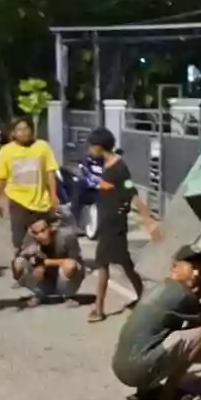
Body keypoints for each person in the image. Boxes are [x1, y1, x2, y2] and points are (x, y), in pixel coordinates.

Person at [112, 245, 201, 400]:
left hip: (121, 367)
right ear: (175, 268)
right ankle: (168, 393)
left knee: (163, 335)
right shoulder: (182, 294)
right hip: (137, 369)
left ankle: (146, 389)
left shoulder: (162, 288)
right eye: (193, 268)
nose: (197, 274)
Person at [85, 127, 162, 322]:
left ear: (99, 147)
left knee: (102, 263)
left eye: (91, 146)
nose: (89, 150)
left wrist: (148, 222)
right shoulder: (107, 164)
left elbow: (132, 192)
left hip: (114, 223)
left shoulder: (119, 168)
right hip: (107, 221)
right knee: (124, 262)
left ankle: (98, 309)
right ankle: (143, 296)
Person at [0, 116, 61, 250]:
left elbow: (50, 172)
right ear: (13, 133)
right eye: (19, 130)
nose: (24, 132)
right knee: (20, 242)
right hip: (18, 202)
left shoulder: (43, 147)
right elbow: (0, 177)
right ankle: (24, 266)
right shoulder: (6, 151)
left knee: (47, 239)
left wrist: (53, 195)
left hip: (42, 202)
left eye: (26, 128)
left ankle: (47, 267)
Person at [11, 216, 85, 309]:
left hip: (64, 280)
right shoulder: (31, 240)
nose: (41, 235)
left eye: (43, 230)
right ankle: (40, 294)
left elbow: (73, 262)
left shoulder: (66, 237)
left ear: (51, 228)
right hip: (45, 280)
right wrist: (25, 254)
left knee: (70, 265)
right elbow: (16, 269)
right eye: (36, 233)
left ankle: (67, 295)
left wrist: (44, 264)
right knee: (19, 262)